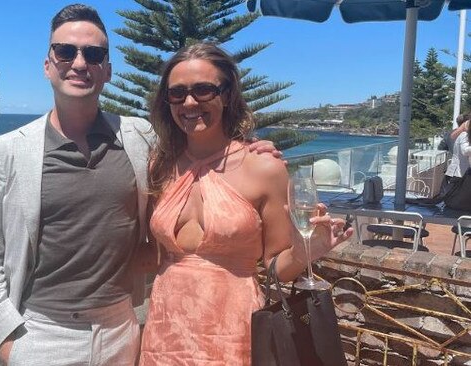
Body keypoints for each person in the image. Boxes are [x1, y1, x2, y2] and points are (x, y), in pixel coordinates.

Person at [0, 5, 279, 365]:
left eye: (94, 53)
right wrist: (6, 338)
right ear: (48, 64)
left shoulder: (141, 139)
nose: (80, 63)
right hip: (42, 335)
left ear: (108, 70)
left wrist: (254, 149)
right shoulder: (6, 151)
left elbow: (203, 155)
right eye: (66, 51)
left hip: (122, 330)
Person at [138, 42, 353, 365]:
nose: (190, 101)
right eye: (177, 93)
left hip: (232, 331)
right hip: (166, 333)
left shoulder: (263, 167)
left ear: (226, 95)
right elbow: (152, 254)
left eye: (203, 90)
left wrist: (308, 250)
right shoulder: (160, 164)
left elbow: (276, 269)